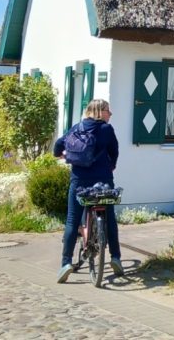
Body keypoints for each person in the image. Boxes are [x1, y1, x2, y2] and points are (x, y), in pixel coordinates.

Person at [54, 98, 122, 282]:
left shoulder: (76, 128)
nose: (110, 114)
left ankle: (65, 263)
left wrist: (62, 155)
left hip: (79, 181)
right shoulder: (107, 130)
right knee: (110, 218)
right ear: (101, 111)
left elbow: (58, 145)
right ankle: (115, 258)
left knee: (71, 220)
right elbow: (115, 151)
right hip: (103, 180)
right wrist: (111, 166)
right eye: (108, 110)